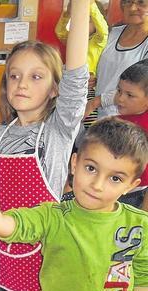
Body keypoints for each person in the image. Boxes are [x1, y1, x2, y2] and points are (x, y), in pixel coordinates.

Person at [0, 116, 148, 291]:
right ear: (74, 164)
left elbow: (142, 280)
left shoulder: (140, 225)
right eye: (91, 168)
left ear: (130, 186)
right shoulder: (51, 217)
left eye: (115, 178)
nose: (97, 185)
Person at [0, 0, 90, 291]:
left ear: (54, 89)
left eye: (36, 76)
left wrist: (82, 5)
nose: (22, 84)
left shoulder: (57, 132)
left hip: (41, 263)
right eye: (15, 75)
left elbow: (76, 75)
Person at [87, 0, 148, 119]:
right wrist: (90, 77)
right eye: (128, 2)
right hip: (96, 116)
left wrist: (96, 102)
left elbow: (141, 87)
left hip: (128, 122)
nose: (132, 8)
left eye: (141, 2)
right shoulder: (111, 34)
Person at [55, 0, 108, 128]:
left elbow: (103, 30)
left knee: (88, 121)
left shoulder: (98, 41)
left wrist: (90, 6)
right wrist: (67, 14)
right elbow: (60, 32)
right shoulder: (73, 40)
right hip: (71, 84)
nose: (82, 22)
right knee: (70, 118)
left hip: (89, 88)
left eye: (88, 19)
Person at [107, 60, 148, 210]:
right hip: (113, 189)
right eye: (119, 91)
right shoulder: (119, 120)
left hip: (134, 196)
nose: (120, 98)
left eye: (130, 95)